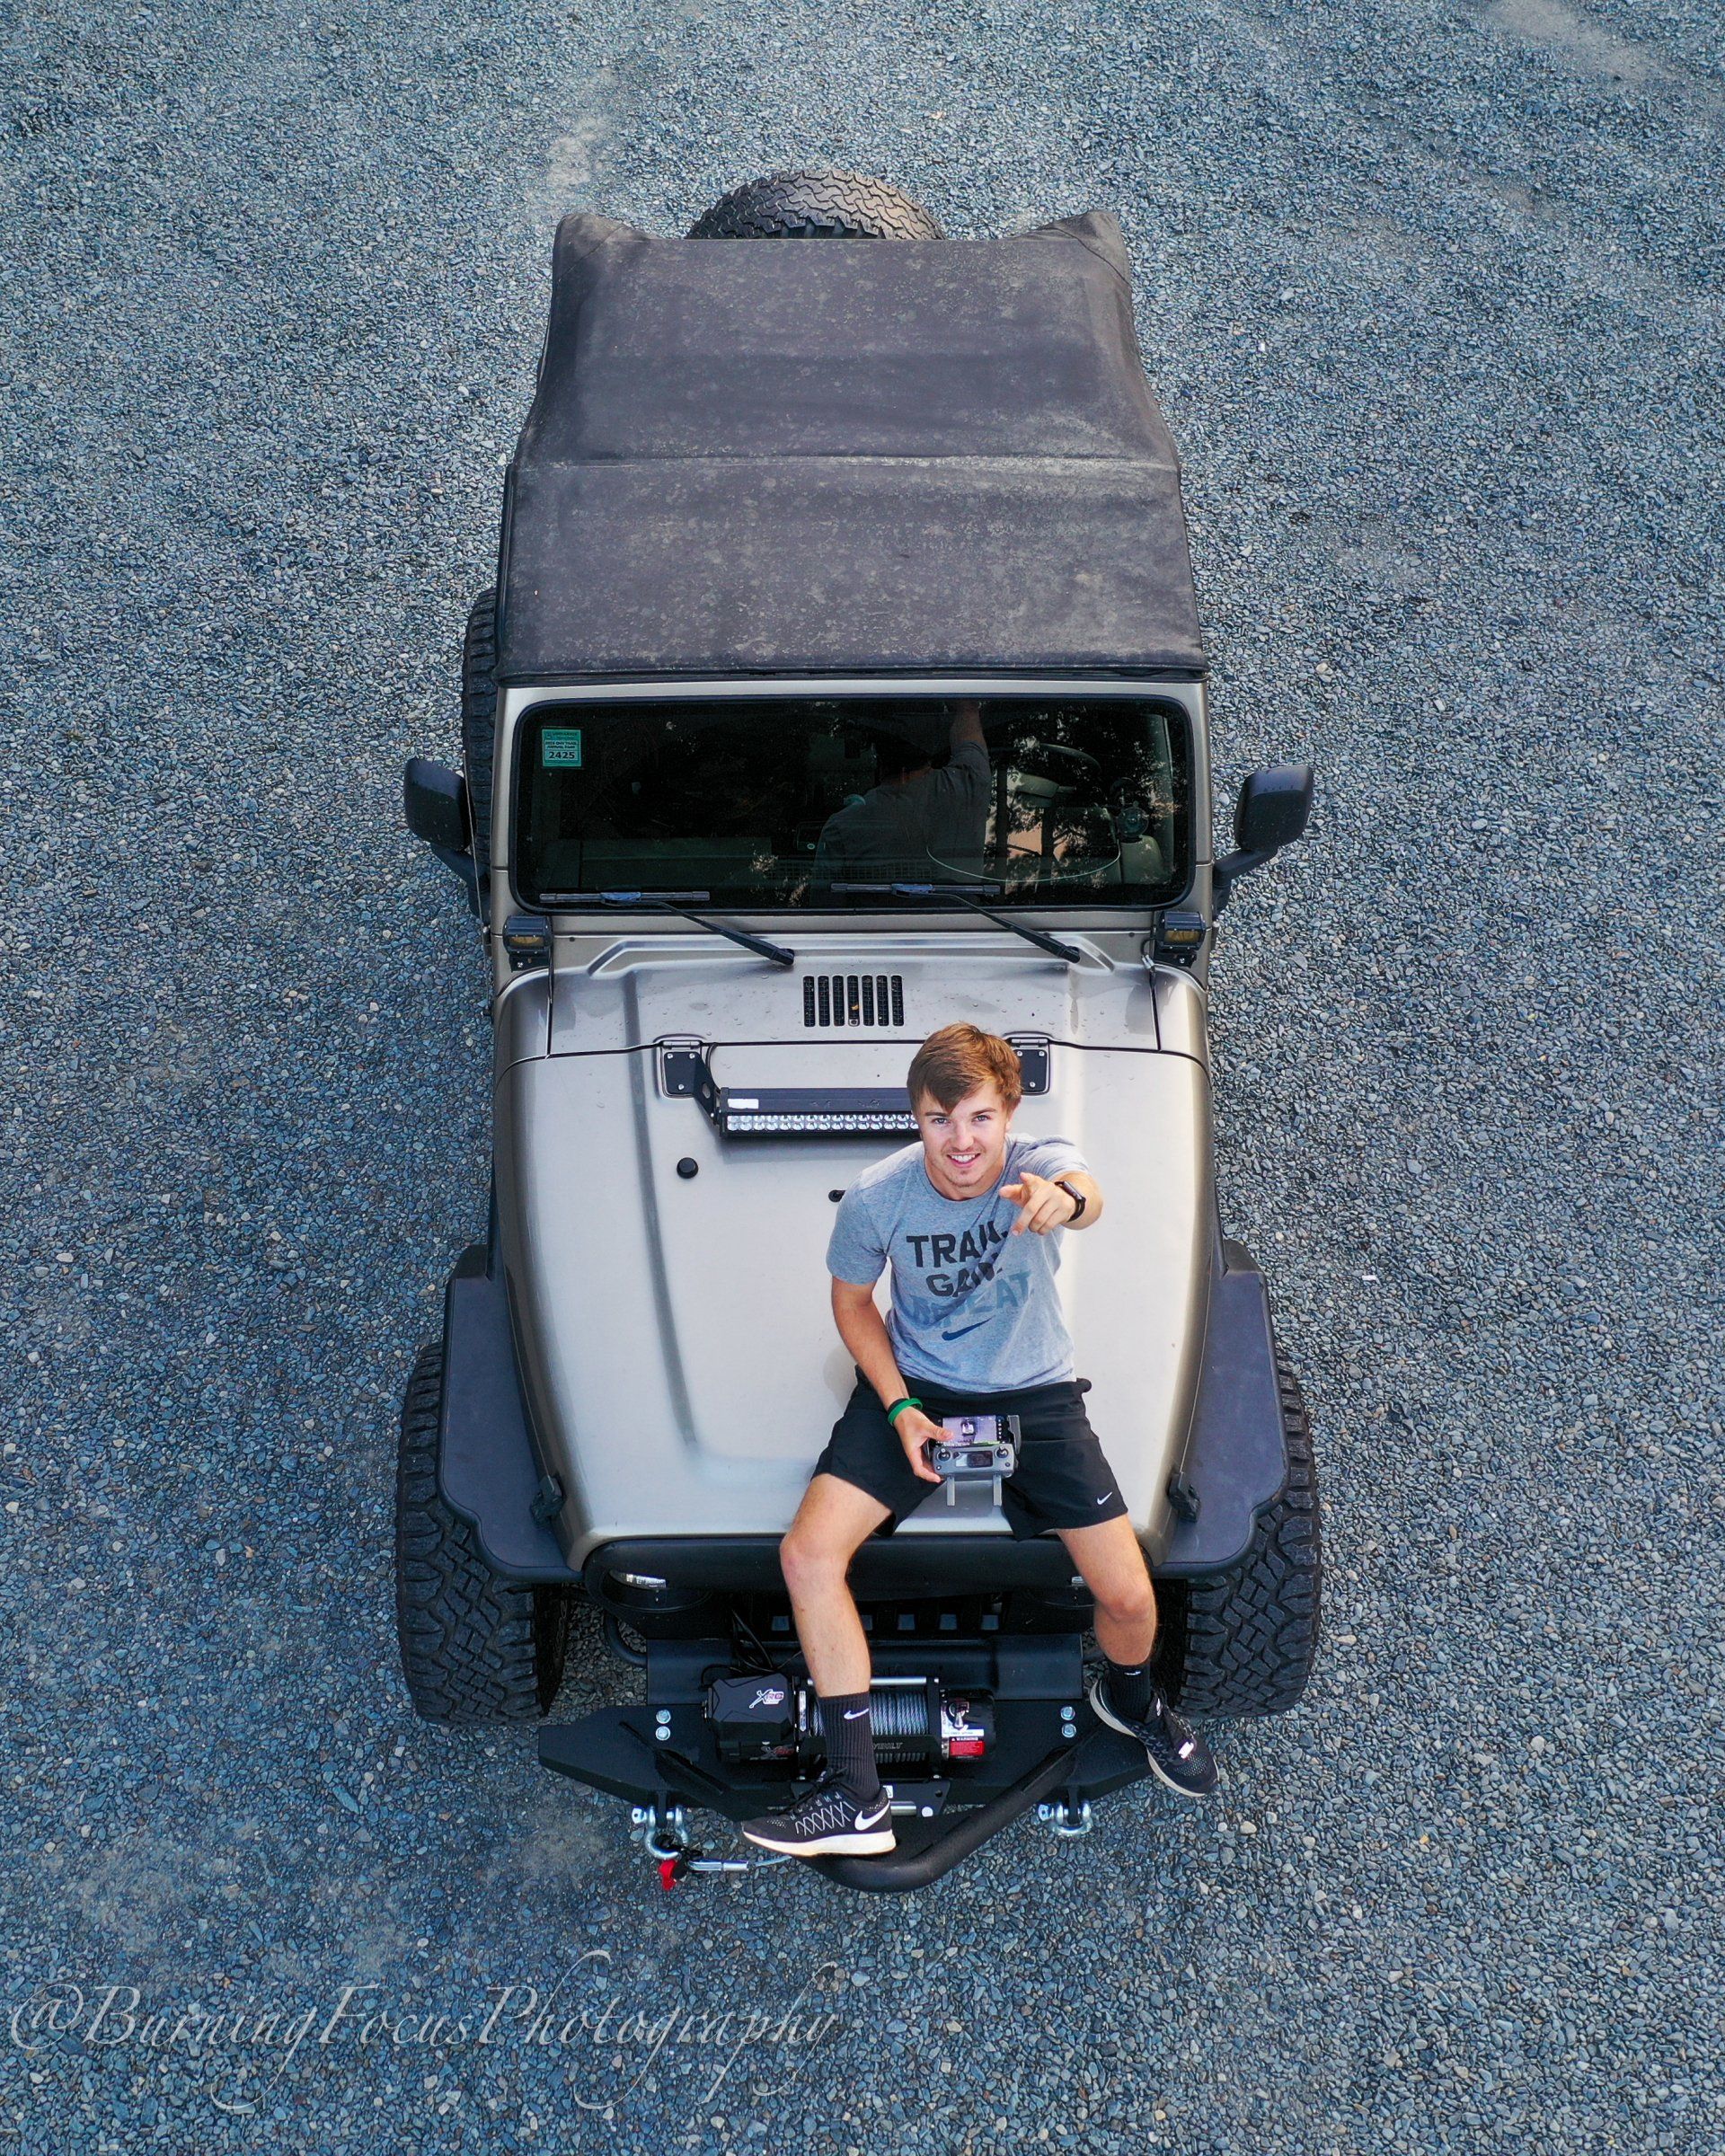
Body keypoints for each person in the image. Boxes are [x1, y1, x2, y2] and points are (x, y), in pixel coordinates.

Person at [740, 1023, 1218, 1860]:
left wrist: (1061, 1201)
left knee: (1131, 1597)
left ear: (1010, 1113)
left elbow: (1086, 1191)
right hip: (922, 1390)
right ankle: (855, 1793)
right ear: (915, 1118)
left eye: (979, 1118)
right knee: (807, 1555)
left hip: (1037, 1393)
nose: (962, 1142)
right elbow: (853, 1305)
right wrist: (897, 1409)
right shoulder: (877, 1197)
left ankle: (1133, 1702)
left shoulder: (1037, 1166)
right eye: (938, 1120)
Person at [812, 699, 990, 884]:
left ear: (877, 753)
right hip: (974, 914)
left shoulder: (841, 827)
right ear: (935, 742)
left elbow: (821, 907)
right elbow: (968, 710)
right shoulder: (969, 785)